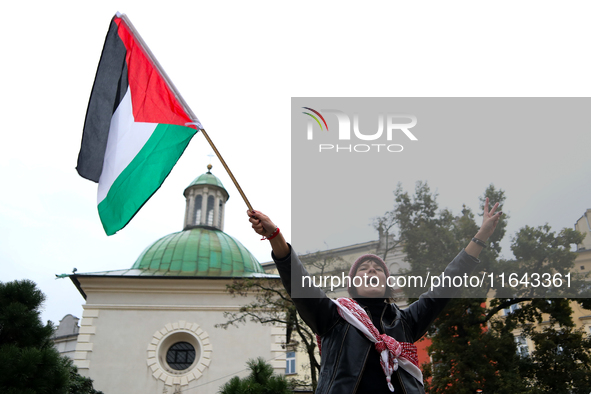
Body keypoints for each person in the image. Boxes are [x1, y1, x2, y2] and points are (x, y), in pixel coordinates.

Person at [248, 198, 502, 394]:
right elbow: (299, 283)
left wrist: (480, 237)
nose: (371, 269)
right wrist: (275, 236)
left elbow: (445, 286)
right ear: (352, 283)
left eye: (378, 268)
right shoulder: (333, 318)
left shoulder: (405, 322)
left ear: (387, 283)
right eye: (363, 268)